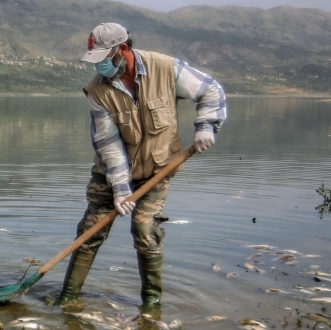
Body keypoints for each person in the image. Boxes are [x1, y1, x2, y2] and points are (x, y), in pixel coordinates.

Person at [57, 23, 227, 309]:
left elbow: (211, 91)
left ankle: (151, 305)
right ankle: (67, 299)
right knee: (91, 230)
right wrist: (120, 189)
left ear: (123, 49)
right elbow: (109, 143)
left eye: (104, 59)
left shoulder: (166, 68)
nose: (100, 67)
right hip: (108, 172)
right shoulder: (98, 90)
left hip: (157, 169)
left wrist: (206, 126)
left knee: (145, 230)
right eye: (95, 60)